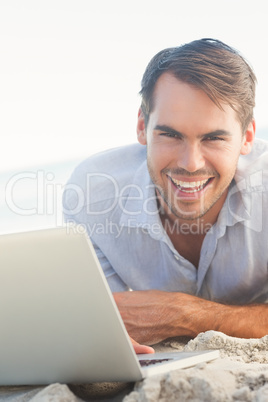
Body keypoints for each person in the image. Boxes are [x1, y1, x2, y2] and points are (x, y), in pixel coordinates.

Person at [63, 38, 268, 354]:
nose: (190, 164)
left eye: (213, 138)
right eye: (171, 135)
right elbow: (107, 328)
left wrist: (183, 314)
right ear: (143, 127)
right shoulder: (92, 194)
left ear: (247, 138)